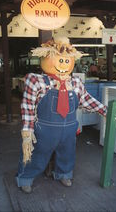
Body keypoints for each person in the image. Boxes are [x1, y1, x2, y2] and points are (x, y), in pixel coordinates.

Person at [16, 37, 107, 194]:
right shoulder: (37, 81)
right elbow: (27, 106)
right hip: (44, 130)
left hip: (69, 129)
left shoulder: (76, 83)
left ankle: (63, 174)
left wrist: (105, 110)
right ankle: (25, 177)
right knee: (36, 154)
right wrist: (27, 131)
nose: (63, 64)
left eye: (67, 61)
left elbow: (86, 100)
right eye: (59, 60)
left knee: (67, 154)